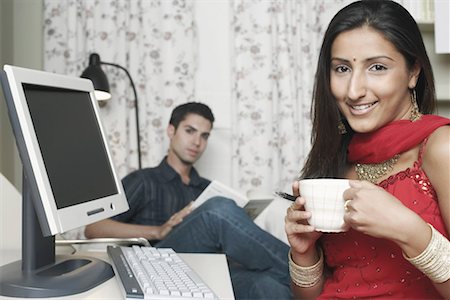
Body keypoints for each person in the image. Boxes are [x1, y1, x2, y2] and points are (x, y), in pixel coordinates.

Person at [284, 1, 450, 299]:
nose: (353, 90)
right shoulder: (340, 159)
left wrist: (409, 230)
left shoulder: (440, 148)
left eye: (377, 67)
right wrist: (304, 252)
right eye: (342, 68)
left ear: (414, 71)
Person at [85, 102, 292, 299]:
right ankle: (309, 275)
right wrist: (157, 231)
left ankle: (304, 283)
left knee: (267, 283)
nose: (197, 142)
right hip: (157, 267)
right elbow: (94, 227)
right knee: (217, 211)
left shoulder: (205, 187)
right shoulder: (144, 180)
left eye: (204, 136)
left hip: (206, 272)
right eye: (190, 131)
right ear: (171, 131)